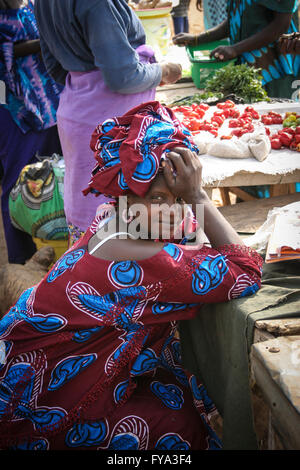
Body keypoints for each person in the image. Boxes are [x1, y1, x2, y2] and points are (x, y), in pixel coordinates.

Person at [0, 101, 263, 450]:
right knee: (179, 425)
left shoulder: (112, 219)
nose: (173, 210)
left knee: (179, 388)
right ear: (124, 193)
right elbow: (245, 271)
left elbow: (187, 230)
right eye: (157, 197)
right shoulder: (139, 259)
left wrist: (186, 201)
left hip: (26, 378)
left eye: (177, 198)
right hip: (37, 408)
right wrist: (197, 194)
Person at [34, 0, 182, 247]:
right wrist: (162, 71)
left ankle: (92, 276)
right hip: (113, 120)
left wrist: (86, 81)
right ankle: (118, 280)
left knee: (88, 208)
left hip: (78, 109)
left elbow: (55, 66)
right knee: (118, 217)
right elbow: (122, 77)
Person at [0, 0, 62, 264]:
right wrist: (46, 41)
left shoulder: (33, 6)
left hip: (51, 101)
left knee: (57, 177)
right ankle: (21, 258)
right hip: (14, 109)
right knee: (19, 182)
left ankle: (61, 247)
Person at [173, 0, 300, 99]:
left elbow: (281, 24)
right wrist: (197, 39)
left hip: (277, 67)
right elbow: (235, 19)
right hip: (250, 67)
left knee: (280, 115)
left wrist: (235, 49)